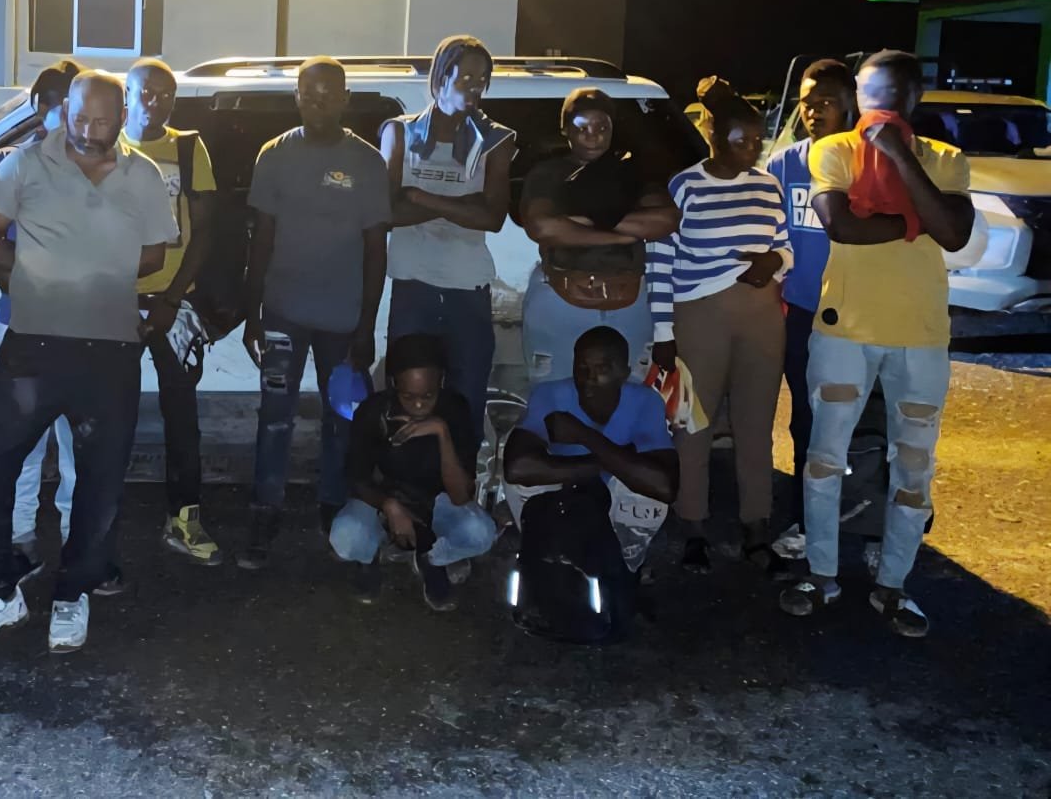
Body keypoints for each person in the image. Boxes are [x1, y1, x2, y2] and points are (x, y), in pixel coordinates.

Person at [0, 70, 176, 657]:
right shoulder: (25, 163)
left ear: (122, 118)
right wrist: (35, 272)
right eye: (80, 118)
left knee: (100, 480)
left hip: (111, 348)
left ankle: (74, 592)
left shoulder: (144, 174)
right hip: (32, 345)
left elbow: (154, 254)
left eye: (103, 121)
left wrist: (89, 271)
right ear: (64, 111)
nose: (89, 131)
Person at [779, 50, 973, 638]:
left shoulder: (945, 159)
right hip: (843, 331)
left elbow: (955, 234)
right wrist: (917, 222)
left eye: (889, 92)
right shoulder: (834, 150)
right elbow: (842, 226)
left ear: (913, 98)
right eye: (868, 91)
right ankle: (821, 574)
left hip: (921, 337)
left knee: (913, 468)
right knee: (823, 460)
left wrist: (898, 156)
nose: (876, 103)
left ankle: (893, 585)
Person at [240, 57, 391, 569]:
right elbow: (261, 239)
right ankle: (265, 510)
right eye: (309, 93)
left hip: (343, 320)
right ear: (297, 97)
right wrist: (253, 313)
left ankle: (334, 505)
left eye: (329, 93)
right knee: (274, 417)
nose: (318, 102)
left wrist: (367, 327)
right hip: (283, 313)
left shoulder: (367, 162)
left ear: (346, 98)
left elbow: (376, 250)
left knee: (342, 418)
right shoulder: (274, 154)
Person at [647, 92, 791, 576]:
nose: (751, 149)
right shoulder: (685, 185)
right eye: (740, 140)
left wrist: (775, 261)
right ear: (712, 136)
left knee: (755, 426)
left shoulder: (768, 186)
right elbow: (661, 261)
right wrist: (663, 331)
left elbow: (785, 246)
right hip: (699, 314)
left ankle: (756, 527)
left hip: (762, 315)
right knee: (693, 425)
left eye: (757, 140)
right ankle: (693, 527)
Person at [380, 35, 516, 440]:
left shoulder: (496, 139)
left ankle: (460, 476)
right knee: (405, 395)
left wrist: (419, 196)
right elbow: (385, 212)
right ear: (440, 77)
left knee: (466, 398)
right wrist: (463, 203)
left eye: (482, 79)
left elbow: (492, 218)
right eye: (465, 77)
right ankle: (408, 474)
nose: (475, 88)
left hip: (467, 288)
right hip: (413, 285)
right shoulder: (401, 132)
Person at [503, 327, 678, 640]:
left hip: (609, 497)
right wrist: (613, 462)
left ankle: (626, 567)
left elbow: (665, 486)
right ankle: (543, 558)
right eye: (582, 367)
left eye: (602, 368)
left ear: (624, 372)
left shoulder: (644, 401)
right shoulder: (551, 395)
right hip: (563, 498)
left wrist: (583, 436)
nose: (589, 378)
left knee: (649, 494)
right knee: (522, 481)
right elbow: (517, 467)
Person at [0, 60, 84, 580]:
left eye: (74, 105)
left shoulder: (104, 168)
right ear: (39, 109)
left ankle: (78, 539)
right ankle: (19, 535)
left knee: (79, 445)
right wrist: (19, 288)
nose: (66, 115)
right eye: (57, 105)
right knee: (20, 440)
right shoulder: (10, 166)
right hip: (20, 323)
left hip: (85, 330)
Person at [125, 58, 223, 565]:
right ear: (127, 94)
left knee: (182, 418)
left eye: (165, 94)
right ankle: (97, 527)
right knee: (107, 416)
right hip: (115, 301)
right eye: (146, 92)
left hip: (173, 303)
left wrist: (171, 299)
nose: (155, 102)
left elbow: (204, 231)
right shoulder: (108, 145)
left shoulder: (187, 147)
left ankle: (184, 520)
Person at [518, 88, 680, 388]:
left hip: (628, 301)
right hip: (561, 298)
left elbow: (666, 220)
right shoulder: (548, 173)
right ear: (565, 129)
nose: (593, 136)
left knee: (627, 392)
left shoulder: (632, 172)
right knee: (555, 392)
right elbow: (543, 227)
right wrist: (620, 236)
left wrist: (583, 220)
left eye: (602, 127)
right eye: (582, 127)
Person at [328, 334, 498, 610]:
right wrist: (390, 506)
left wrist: (441, 432)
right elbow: (357, 477)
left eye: (428, 396)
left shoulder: (455, 409)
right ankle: (369, 558)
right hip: (383, 500)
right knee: (344, 536)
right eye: (408, 396)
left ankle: (432, 559)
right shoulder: (374, 411)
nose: (418, 405)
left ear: (441, 382)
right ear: (394, 384)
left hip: (438, 502)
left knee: (481, 533)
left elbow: (460, 495)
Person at [765, 59, 856, 555]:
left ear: (848, 104)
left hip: (857, 313)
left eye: (825, 102)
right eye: (806, 103)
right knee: (804, 418)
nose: (813, 111)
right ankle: (806, 519)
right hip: (800, 313)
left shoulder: (863, 161)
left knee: (853, 420)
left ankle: (862, 518)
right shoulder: (783, 164)